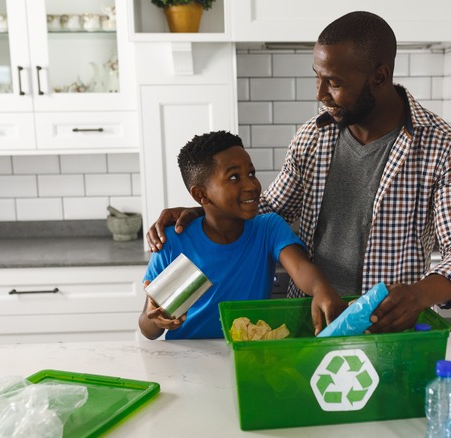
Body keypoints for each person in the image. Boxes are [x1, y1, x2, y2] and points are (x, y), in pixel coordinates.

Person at [146, 11, 451, 334]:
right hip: (309, 322)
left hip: (385, 329)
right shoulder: (313, 136)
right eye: (318, 77)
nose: (320, 94)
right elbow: (270, 209)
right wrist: (205, 211)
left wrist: (419, 295)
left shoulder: (444, 148)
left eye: (334, 82)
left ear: (379, 77)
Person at [139, 131, 346, 340]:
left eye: (251, 173)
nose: (251, 185)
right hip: (187, 360)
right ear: (201, 195)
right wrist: (155, 318)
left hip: (248, 354)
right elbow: (148, 329)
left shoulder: (268, 228)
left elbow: (301, 268)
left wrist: (321, 289)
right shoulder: (173, 241)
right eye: (234, 177)